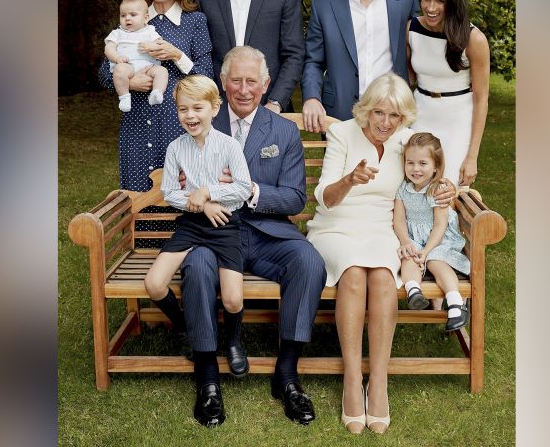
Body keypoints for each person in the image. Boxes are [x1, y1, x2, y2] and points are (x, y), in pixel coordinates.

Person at [180, 46, 327, 427]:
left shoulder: (283, 131)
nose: (243, 90)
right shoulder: (202, 122)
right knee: (196, 266)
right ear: (222, 83)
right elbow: (182, 177)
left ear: (265, 85)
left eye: (251, 81)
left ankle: (287, 373)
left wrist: (249, 190)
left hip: (266, 233)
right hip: (213, 232)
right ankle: (208, 377)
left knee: (308, 260)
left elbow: (295, 198)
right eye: (235, 80)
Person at [307, 73, 454, 434]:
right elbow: (324, 197)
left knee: (385, 278)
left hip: (382, 228)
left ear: (404, 118)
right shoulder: (342, 133)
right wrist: (349, 180)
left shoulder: (406, 142)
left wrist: (447, 188)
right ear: (366, 110)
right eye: (379, 113)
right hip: (336, 224)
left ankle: (381, 381)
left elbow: (433, 170)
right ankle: (353, 379)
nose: (385, 123)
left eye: (395, 116)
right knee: (354, 273)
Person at [143, 75, 253, 428]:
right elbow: (170, 193)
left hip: (225, 226)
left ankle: (233, 340)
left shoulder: (229, 146)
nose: (190, 115)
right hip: (192, 224)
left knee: (234, 300)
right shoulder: (176, 148)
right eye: (183, 109)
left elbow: (241, 189)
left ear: (214, 108)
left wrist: (206, 192)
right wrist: (198, 205)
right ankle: (187, 328)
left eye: (197, 108)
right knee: (154, 284)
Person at [97, 0, 213, 191]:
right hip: (136, 122)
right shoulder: (132, 17)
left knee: (180, 195)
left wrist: (177, 55)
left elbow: (206, 76)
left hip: (177, 123)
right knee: (137, 195)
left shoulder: (195, 21)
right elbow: (103, 72)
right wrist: (128, 83)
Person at [301, 0, 419, 132]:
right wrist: (311, 97)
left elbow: (421, 49)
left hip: (394, 115)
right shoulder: (323, 6)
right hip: (340, 115)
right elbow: (314, 62)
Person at [407, 0, 490, 185]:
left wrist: (472, 157)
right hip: (420, 117)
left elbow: (481, 99)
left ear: (453, 1)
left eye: (440, 1)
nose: (431, 7)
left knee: (449, 191)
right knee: (415, 188)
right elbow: (407, 81)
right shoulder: (411, 29)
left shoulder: (474, 39)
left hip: (457, 122)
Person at [395, 132, 472, 331]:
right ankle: (414, 291)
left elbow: (440, 226)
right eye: (410, 163)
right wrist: (406, 241)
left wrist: (427, 251)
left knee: (436, 261)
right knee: (408, 256)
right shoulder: (403, 189)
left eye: (423, 163)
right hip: (415, 238)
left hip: (439, 240)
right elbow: (399, 221)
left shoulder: (437, 189)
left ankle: (455, 303)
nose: (415, 169)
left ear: (436, 166)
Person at [103, 0, 169, 112]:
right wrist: (117, 57)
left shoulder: (150, 31)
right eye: (123, 15)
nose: (127, 18)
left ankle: (157, 92)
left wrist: (152, 46)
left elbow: (161, 45)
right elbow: (109, 48)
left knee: (162, 71)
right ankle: (124, 97)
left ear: (146, 18)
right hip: (127, 66)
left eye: (133, 15)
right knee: (119, 71)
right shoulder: (117, 33)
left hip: (149, 66)